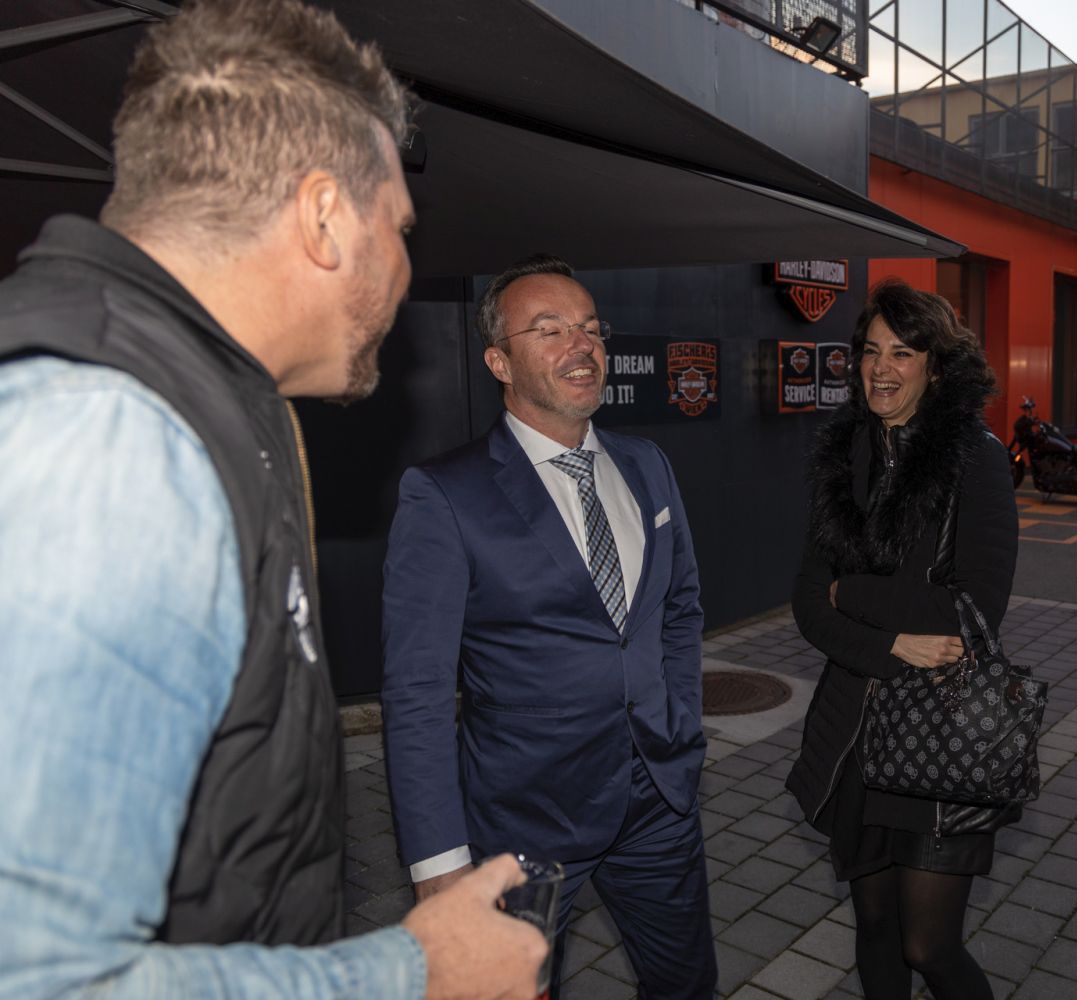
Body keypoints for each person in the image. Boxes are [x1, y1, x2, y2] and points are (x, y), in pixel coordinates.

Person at [0, 1, 546, 997]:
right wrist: (413, 972)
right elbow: (44, 978)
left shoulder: (201, 405)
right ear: (325, 217)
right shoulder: (106, 440)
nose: (406, 268)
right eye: (401, 229)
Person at [381, 254, 717, 1000]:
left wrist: (681, 722)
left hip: (658, 801)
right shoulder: (445, 494)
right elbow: (418, 690)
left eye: (591, 328)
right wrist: (439, 864)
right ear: (499, 362)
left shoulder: (647, 465)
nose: (582, 344)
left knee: (688, 986)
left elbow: (680, 609)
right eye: (550, 329)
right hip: (523, 821)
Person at [785, 279, 1021, 1000]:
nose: (880, 369)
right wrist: (891, 645)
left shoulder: (974, 458)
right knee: (875, 922)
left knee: (929, 945)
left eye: (902, 353)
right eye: (870, 351)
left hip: (942, 732)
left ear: (936, 368)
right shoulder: (844, 456)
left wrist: (853, 593)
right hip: (856, 729)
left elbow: (972, 609)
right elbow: (807, 604)